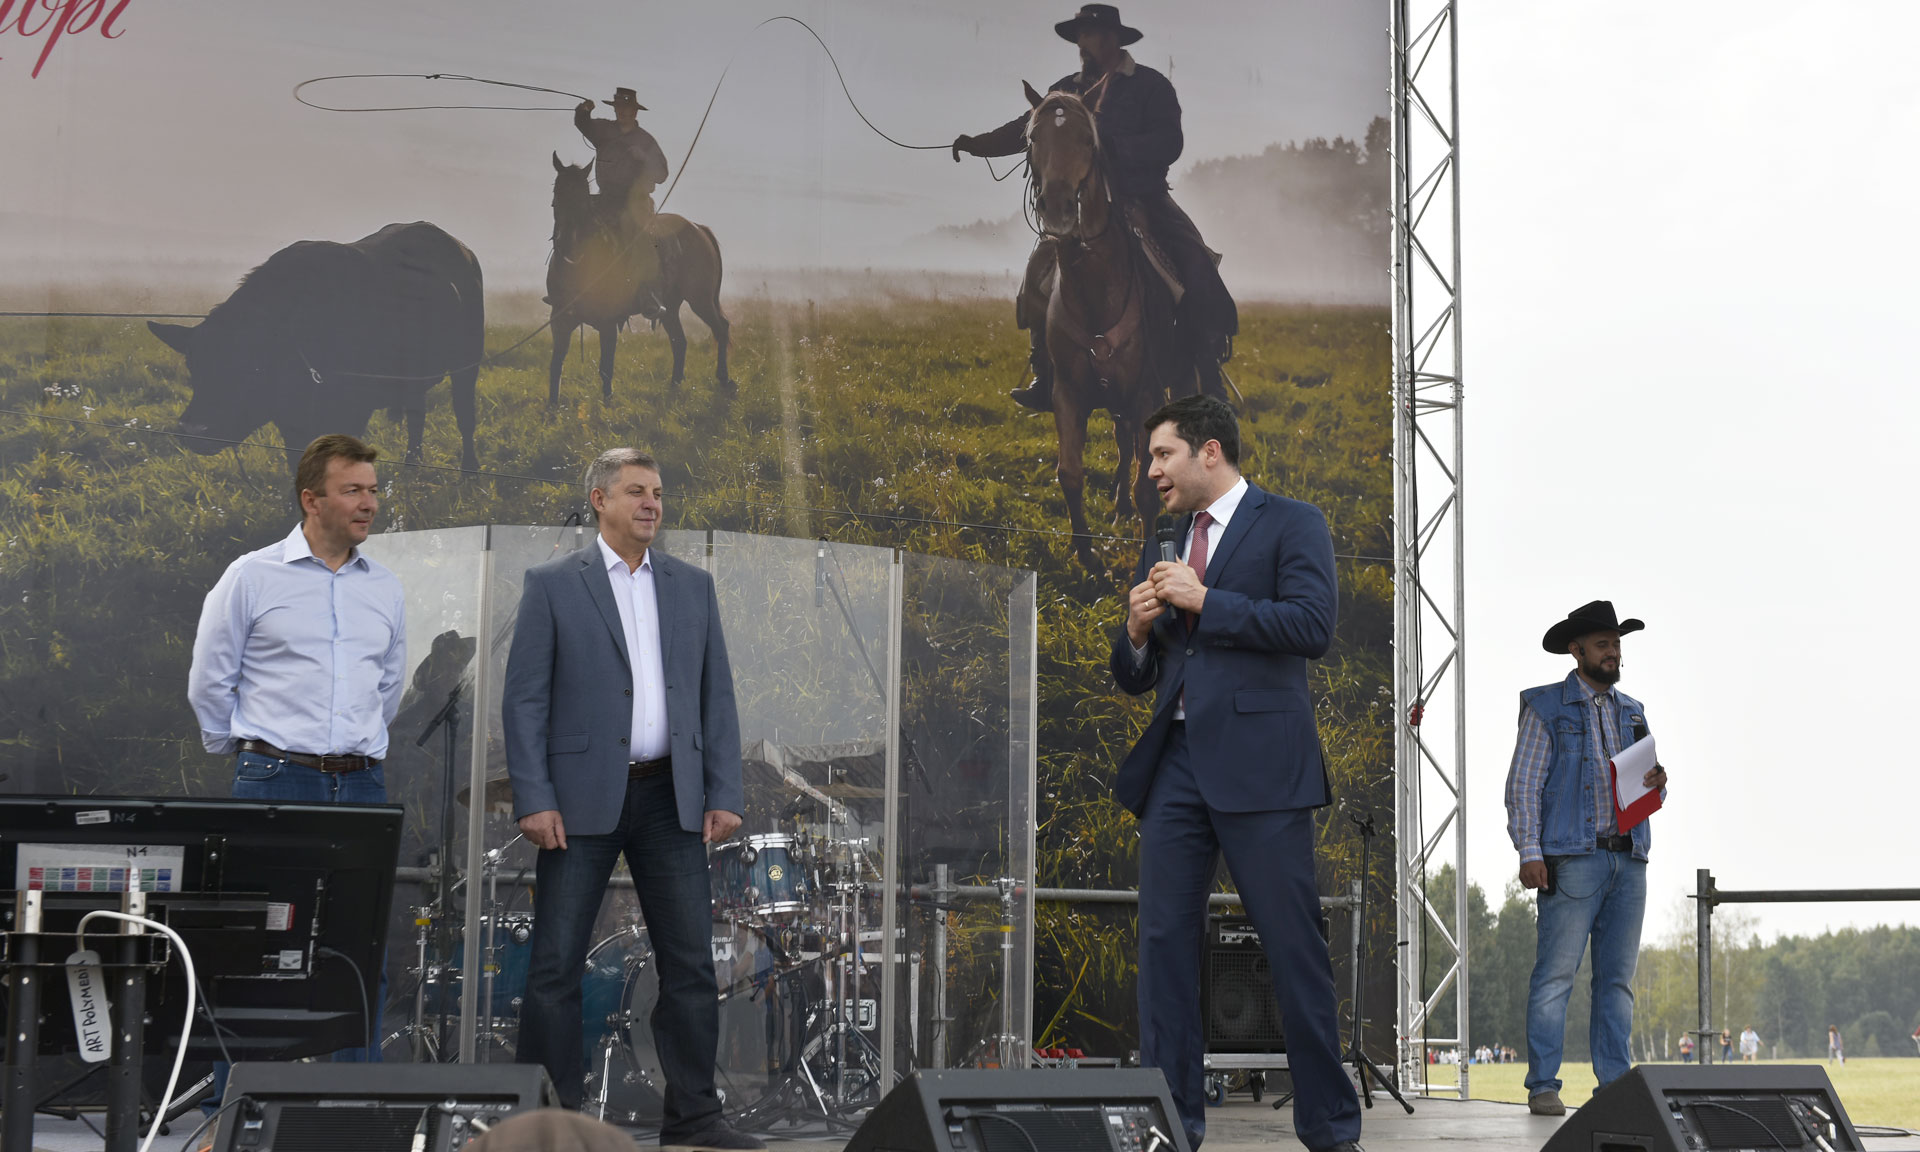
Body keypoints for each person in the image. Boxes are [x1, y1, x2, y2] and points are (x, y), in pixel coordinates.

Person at [1109, 395, 1361, 1152]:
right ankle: (1169, 1130)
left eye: (1163, 454)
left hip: (1263, 769)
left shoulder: (1293, 522)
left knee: (1292, 950)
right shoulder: (1166, 539)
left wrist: (1208, 600)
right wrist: (1136, 633)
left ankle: (1331, 1129)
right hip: (1177, 768)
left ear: (1209, 451)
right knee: (1164, 951)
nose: (1151, 470)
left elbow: (1312, 626)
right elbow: (1139, 674)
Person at [503, 448, 760, 1149]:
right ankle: (550, 1124)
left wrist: (723, 790)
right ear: (600, 500)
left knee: (691, 966)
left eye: (658, 493)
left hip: (670, 798)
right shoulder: (553, 584)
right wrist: (534, 797)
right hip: (577, 803)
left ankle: (695, 1121)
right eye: (637, 491)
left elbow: (716, 695)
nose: (652, 504)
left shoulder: (691, 586)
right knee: (555, 965)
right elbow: (524, 700)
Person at [187, 433, 405, 1085]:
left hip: (361, 787)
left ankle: (352, 1108)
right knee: (254, 947)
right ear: (312, 500)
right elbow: (210, 681)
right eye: (352, 490)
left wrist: (352, 747)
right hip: (275, 781)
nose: (369, 503)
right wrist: (252, 752)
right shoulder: (251, 576)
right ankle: (235, 1109)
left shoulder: (385, 587)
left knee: (360, 953)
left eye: (372, 489)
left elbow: (387, 685)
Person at [953, 4, 1237, 412]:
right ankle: (1044, 371)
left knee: (1195, 264)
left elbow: (1169, 142)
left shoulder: (1150, 85)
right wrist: (978, 145)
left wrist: (1115, 149)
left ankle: (1208, 377)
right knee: (1038, 272)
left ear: (1113, 39)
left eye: (1093, 35)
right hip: (1082, 206)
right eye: (1081, 37)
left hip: (1145, 197)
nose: (1085, 44)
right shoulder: (1064, 91)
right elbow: (1028, 128)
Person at [1503, 600, 1669, 1118]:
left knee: (1617, 983)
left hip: (1629, 858)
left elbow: (1646, 791)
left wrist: (1659, 784)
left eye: (1616, 644)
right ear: (1576, 651)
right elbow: (1523, 786)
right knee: (1556, 977)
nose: (1612, 652)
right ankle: (1543, 1086)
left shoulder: (1632, 710)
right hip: (1572, 859)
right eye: (1602, 644)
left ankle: (1614, 1088)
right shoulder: (1545, 707)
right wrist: (1530, 852)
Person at [574, 87, 670, 238]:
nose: (622, 111)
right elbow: (583, 123)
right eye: (618, 107)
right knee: (576, 220)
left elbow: (662, 175)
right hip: (605, 200)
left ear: (635, 111)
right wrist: (584, 110)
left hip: (636, 204)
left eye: (626, 108)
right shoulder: (604, 130)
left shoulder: (646, 141)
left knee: (636, 235)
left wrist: (644, 158)